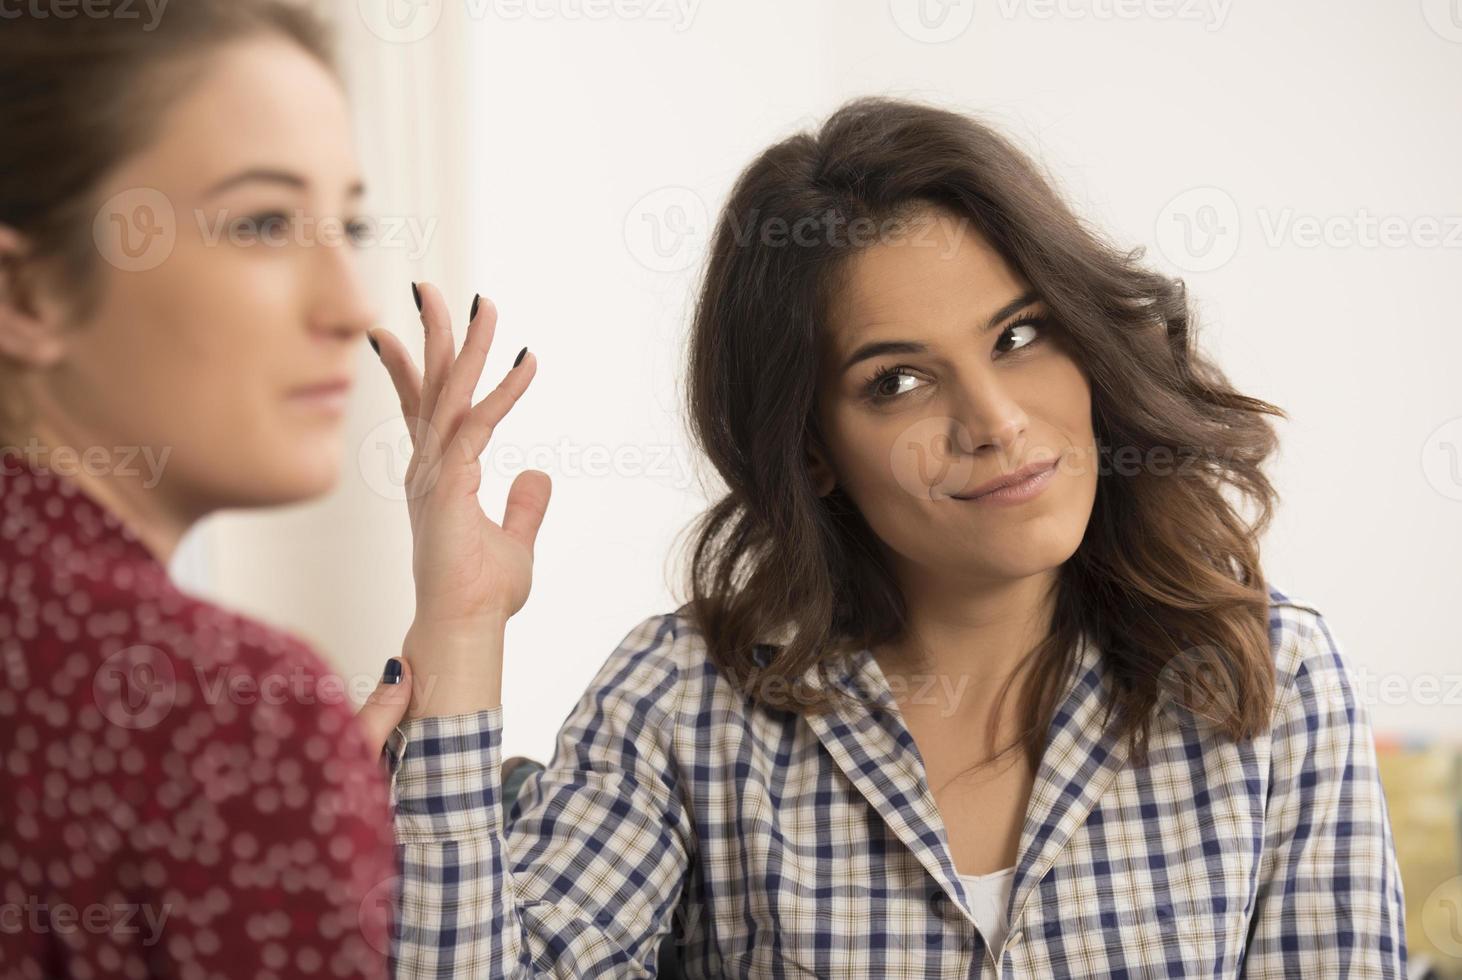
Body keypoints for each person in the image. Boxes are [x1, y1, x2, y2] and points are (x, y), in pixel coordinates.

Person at [367, 97, 1410, 976]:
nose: (995, 421)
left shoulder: (1268, 681)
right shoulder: (685, 700)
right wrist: (461, 628)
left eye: (1019, 334)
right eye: (897, 381)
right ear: (811, 447)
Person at [0, 3, 547, 976]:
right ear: (27, 295)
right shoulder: (225, 718)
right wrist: (283, 784)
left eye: (349, 223)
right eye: (261, 222)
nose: (348, 303)